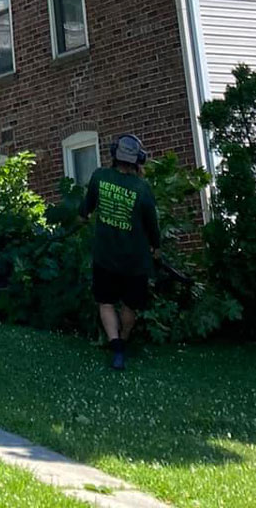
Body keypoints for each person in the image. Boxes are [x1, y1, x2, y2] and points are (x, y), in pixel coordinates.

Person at [81, 133, 161, 369]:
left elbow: (85, 210)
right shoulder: (142, 188)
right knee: (129, 305)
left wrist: (82, 217)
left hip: (105, 257)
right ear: (139, 159)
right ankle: (123, 342)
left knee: (105, 302)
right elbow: (152, 226)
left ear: (114, 154)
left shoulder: (99, 177)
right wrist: (156, 248)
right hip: (135, 261)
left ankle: (115, 346)